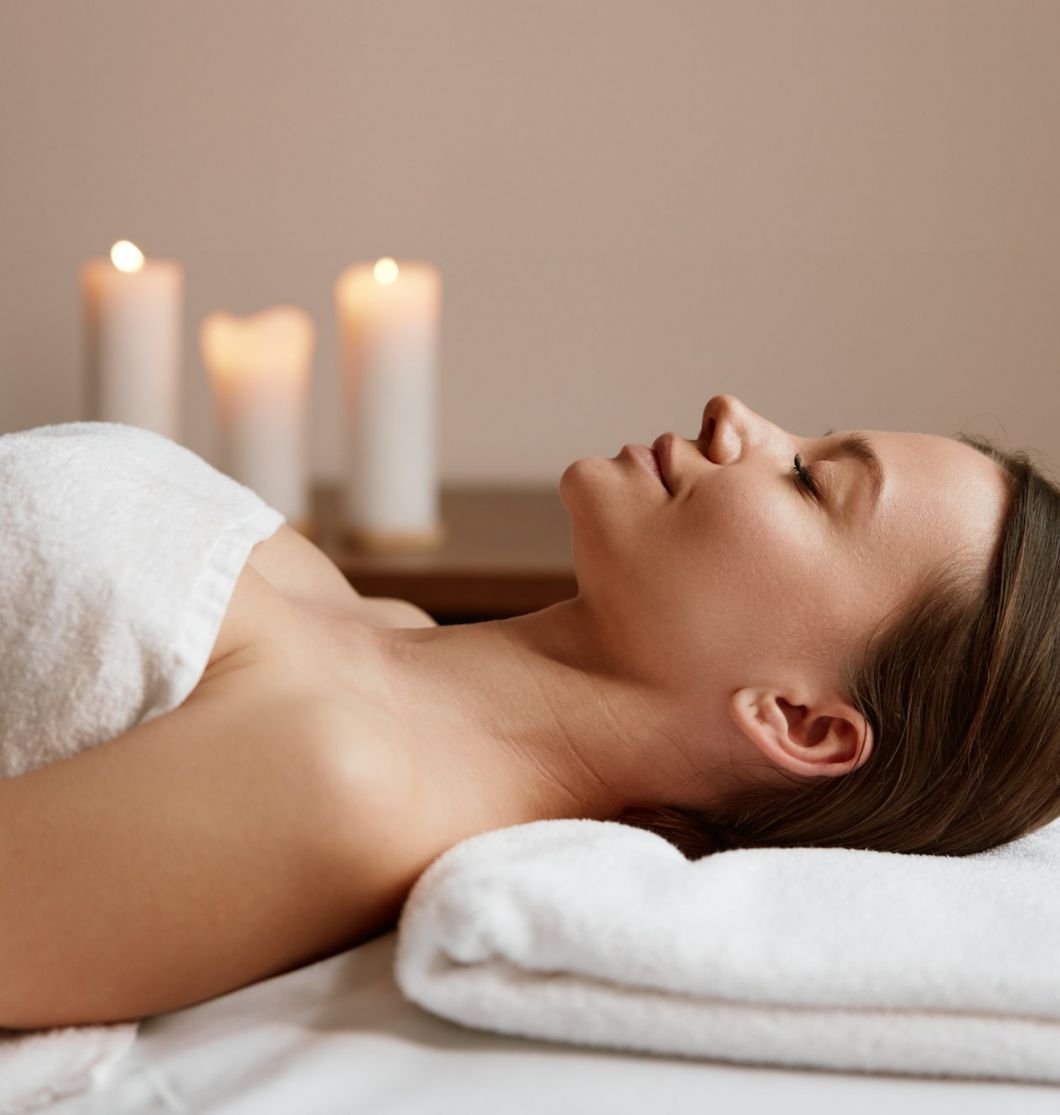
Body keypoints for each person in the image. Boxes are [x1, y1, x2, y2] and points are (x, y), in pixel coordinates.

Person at [2, 394, 1056, 1030]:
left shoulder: (342, 783)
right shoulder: (385, 621)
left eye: (809, 482)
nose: (736, 416)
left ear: (797, 719)